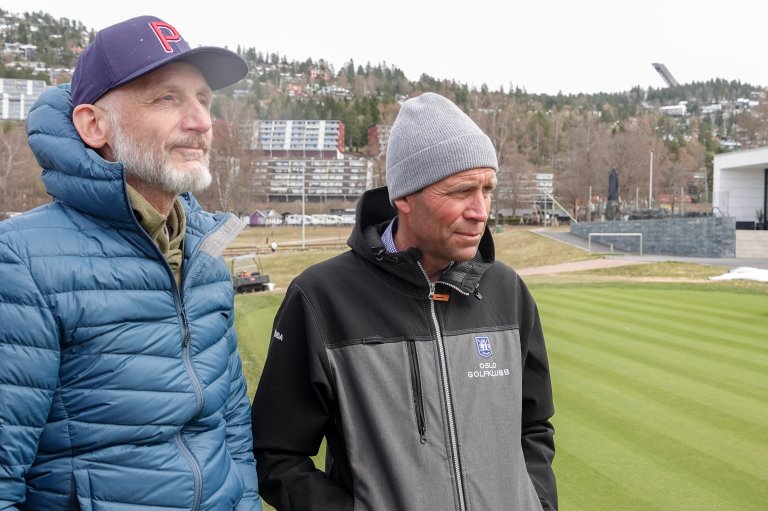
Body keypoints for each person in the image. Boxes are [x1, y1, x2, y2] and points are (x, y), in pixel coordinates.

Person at [0, 15, 262, 510]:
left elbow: (231, 434)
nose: (201, 121)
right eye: (167, 97)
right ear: (94, 125)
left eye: (203, 99)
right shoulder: (20, 261)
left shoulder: (204, 254)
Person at [251, 92, 557, 510]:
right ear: (404, 198)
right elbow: (277, 456)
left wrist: (537, 503)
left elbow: (534, 425)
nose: (480, 210)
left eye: (487, 189)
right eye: (461, 191)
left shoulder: (508, 291)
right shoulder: (321, 297)